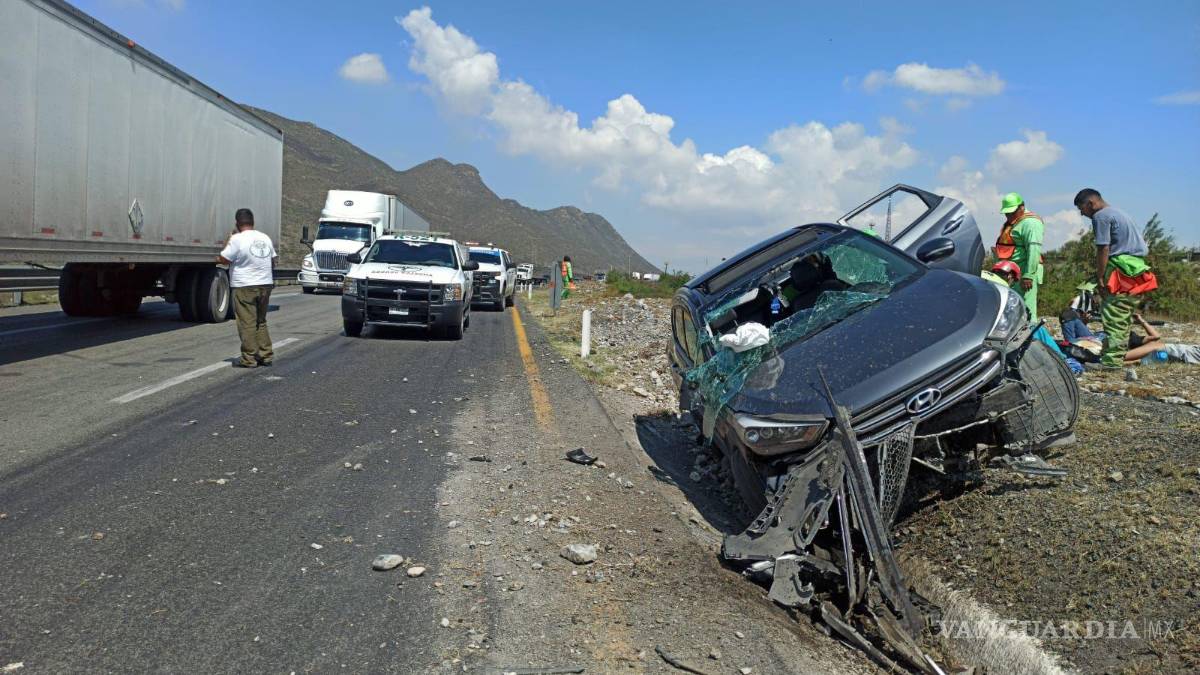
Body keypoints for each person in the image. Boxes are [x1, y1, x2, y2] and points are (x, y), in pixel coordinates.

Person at [1074, 188, 1158, 368]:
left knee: (1113, 316)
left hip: (1120, 270)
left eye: (1082, 208)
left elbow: (1103, 248)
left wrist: (1100, 276)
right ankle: (1114, 356)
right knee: (1121, 316)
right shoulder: (1120, 213)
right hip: (1135, 269)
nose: (1082, 213)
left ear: (1091, 204)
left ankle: (1111, 363)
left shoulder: (1101, 216)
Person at [218, 208, 277, 368]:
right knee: (261, 321)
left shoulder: (237, 239)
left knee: (247, 322)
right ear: (253, 222)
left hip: (245, 285)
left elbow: (223, 259)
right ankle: (266, 355)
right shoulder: (265, 238)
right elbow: (273, 260)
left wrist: (228, 240)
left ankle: (249, 358)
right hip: (265, 283)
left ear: (237, 223)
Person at [995, 192, 1044, 325]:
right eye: (1006, 213)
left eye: (1011, 213)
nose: (1008, 216)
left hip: (1025, 271)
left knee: (1027, 308)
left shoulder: (1031, 223)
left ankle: (1030, 337)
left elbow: (1033, 250)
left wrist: (1028, 275)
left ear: (1021, 207)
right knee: (1013, 307)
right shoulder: (1014, 223)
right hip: (1011, 272)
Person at [1122, 314, 1200, 366]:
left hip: (1183, 353)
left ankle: (1119, 358)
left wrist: (1141, 320)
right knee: (1154, 345)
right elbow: (1156, 337)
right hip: (1183, 353)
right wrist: (1141, 320)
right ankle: (1120, 359)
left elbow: (1156, 337)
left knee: (1155, 345)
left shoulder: (1133, 338)